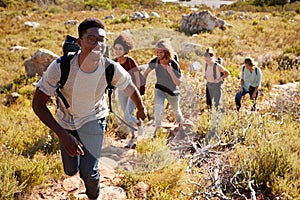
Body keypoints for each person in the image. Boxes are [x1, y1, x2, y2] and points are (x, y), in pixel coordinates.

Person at [32, 18, 146, 200]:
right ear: (80, 42)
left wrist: (140, 108)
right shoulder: (62, 67)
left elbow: (130, 86)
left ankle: (95, 196)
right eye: (91, 39)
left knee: (89, 173)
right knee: (70, 171)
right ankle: (76, 164)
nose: (98, 44)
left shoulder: (111, 68)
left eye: (102, 39)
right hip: (66, 121)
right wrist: (63, 134)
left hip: (94, 119)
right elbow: (38, 103)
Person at [113, 33, 144, 148]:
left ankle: (139, 124)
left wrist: (139, 92)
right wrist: (112, 95)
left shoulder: (130, 61)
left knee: (127, 116)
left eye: (120, 49)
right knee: (126, 116)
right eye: (116, 49)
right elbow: (114, 80)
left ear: (125, 49)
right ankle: (133, 138)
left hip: (132, 91)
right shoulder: (114, 62)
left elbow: (137, 77)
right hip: (121, 92)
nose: (117, 51)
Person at [143, 38, 184, 128]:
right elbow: (146, 73)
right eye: (157, 52)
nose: (158, 54)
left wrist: (170, 72)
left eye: (161, 52)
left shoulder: (173, 64)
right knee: (158, 111)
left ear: (166, 52)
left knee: (176, 111)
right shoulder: (156, 61)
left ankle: (182, 128)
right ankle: (158, 130)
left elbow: (178, 83)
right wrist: (142, 85)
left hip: (172, 92)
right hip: (159, 89)